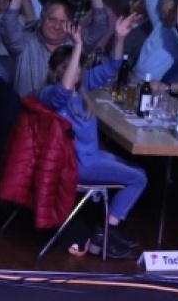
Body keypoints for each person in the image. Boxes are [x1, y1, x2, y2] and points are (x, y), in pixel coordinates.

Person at [38, 14, 147, 258]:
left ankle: (106, 231)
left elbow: (112, 67)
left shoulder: (82, 86)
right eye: (67, 68)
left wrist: (119, 37)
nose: (74, 72)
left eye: (77, 68)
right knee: (139, 178)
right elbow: (64, 89)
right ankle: (106, 231)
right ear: (56, 71)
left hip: (90, 156)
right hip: (77, 166)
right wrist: (77, 46)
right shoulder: (51, 95)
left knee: (135, 168)